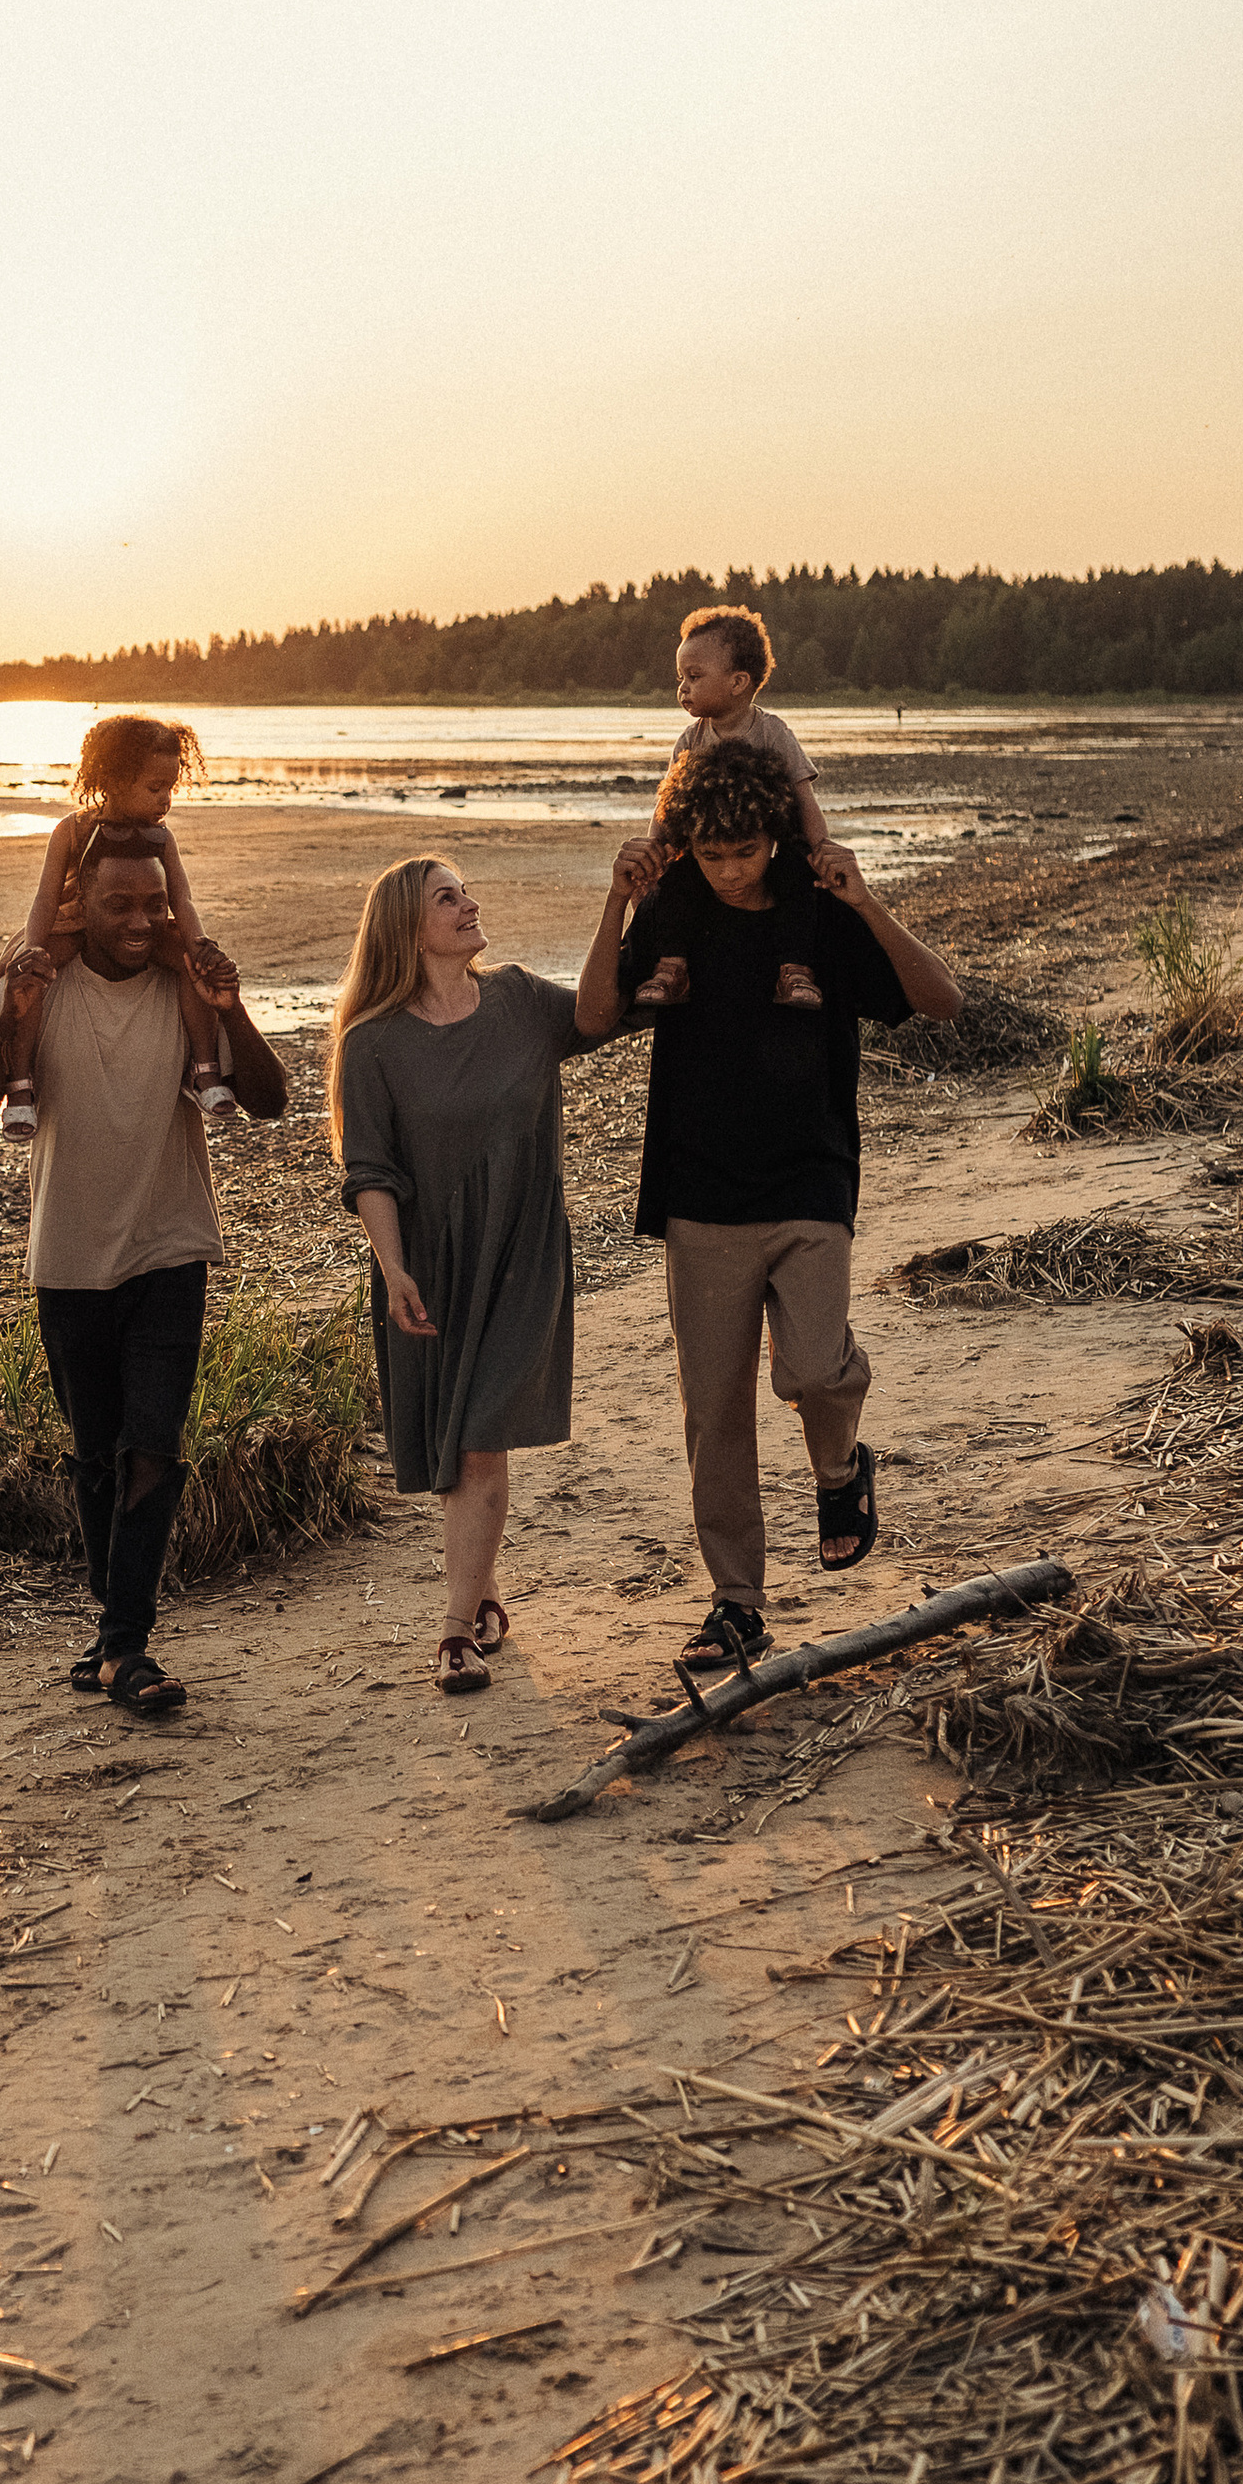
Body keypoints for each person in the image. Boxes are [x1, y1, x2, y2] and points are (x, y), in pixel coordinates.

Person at [604, 737, 964, 1681]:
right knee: (714, 1411)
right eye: (712, 854)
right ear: (689, 846)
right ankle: (737, 1604)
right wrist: (619, 899)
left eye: (747, 852)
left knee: (812, 1367)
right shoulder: (676, 909)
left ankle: (841, 1469)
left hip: (809, 1181)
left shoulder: (822, 917)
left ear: (778, 840)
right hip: (699, 1192)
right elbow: (601, 1014)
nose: (729, 872)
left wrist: (864, 899)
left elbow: (945, 1002)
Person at [0, 841, 288, 1716]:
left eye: (154, 905)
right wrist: (8, 1012)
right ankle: (111, 1637)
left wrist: (234, 1011)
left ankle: (128, 1646)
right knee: (96, 1458)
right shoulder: (36, 982)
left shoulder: (187, 987)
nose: (141, 922)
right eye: (120, 906)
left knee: (152, 1450)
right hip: (66, 1260)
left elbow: (272, 1099)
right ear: (80, 903)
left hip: (170, 1250)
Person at [330, 856, 627, 1692]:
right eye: (448, 899)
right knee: (452, 1450)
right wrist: (392, 1271)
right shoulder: (373, 1043)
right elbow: (370, 1172)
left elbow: (612, 1010)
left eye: (467, 891)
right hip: (429, 1264)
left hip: (524, 1252)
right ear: (406, 928)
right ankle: (485, 1594)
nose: (470, 905)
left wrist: (621, 902)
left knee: (479, 1435)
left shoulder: (523, 999)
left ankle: (454, 1633)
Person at [0, 715, 235, 1143]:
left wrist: (198, 944)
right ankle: (19, 1085)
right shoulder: (73, 829)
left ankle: (203, 1070)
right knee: (32, 979)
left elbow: (182, 898)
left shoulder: (161, 838)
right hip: (71, 925)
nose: (165, 799)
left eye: (171, 788)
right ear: (114, 778)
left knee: (188, 962)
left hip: (143, 929)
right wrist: (32, 948)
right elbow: (46, 898)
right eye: (154, 788)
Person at [632, 605, 831, 1016]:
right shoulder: (691, 739)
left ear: (739, 682)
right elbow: (667, 805)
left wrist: (822, 851)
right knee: (676, 884)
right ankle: (672, 968)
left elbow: (804, 798)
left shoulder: (772, 732)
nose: (682, 689)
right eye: (681, 678)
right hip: (705, 850)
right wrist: (654, 852)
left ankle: (794, 971)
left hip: (771, 847)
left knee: (798, 884)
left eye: (694, 676)